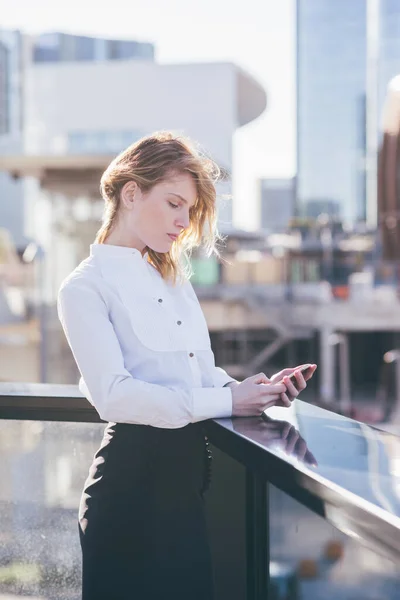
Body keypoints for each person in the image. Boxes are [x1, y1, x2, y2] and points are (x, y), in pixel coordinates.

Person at [57, 131, 316, 600]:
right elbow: (113, 395)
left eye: (189, 211)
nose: (183, 222)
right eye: (174, 203)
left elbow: (200, 374)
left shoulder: (173, 277)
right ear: (131, 193)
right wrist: (225, 398)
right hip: (129, 489)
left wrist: (251, 391)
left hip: (187, 487)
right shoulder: (83, 288)